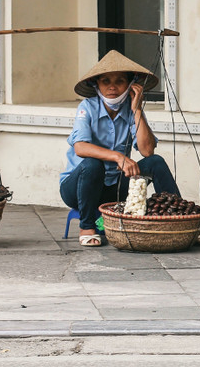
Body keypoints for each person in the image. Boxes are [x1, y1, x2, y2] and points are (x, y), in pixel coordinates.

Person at [59, 50, 180, 247]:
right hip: (80, 187)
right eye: (105, 81)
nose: (112, 87)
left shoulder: (131, 109)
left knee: (156, 162)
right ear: (96, 84)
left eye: (120, 81)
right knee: (92, 164)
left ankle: (178, 218)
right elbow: (80, 147)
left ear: (131, 85)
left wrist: (137, 109)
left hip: (115, 188)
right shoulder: (87, 107)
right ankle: (87, 226)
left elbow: (147, 151)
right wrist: (118, 157)